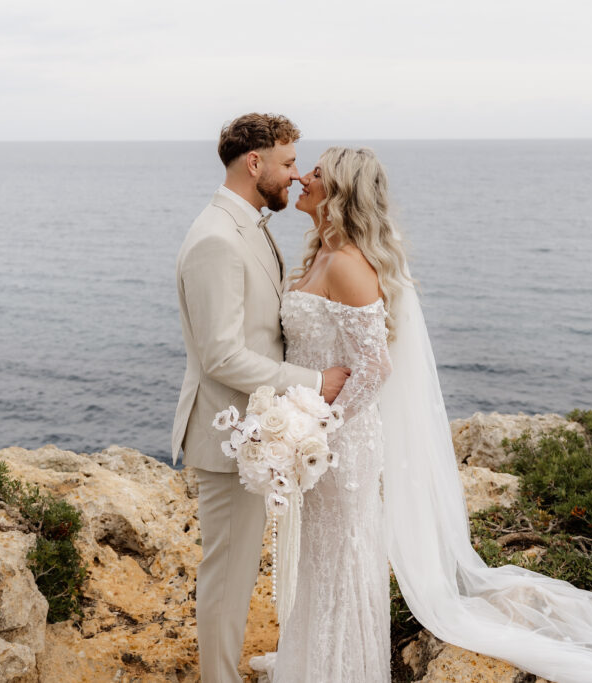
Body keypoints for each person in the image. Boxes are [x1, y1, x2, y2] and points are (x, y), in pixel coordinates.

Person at [250, 147, 592, 682]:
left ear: (341, 191)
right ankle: (310, 660)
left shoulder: (347, 264)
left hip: (340, 441)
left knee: (342, 559)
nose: (302, 177)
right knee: (320, 557)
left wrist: (320, 428)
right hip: (320, 432)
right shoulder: (321, 252)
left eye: (316, 173)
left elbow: (374, 367)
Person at [171, 113, 350, 683]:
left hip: (258, 429)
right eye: (289, 163)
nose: (296, 176)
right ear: (256, 164)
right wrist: (311, 383)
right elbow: (221, 355)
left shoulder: (249, 224)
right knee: (227, 574)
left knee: (239, 569)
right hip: (228, 438)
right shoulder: (217, 239)